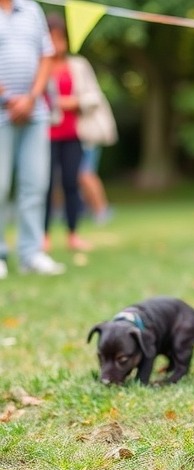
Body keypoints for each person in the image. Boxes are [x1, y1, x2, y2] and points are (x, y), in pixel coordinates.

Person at [0, 0, 66, 278]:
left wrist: (31, 98)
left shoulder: (32, 9)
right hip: (2, 112)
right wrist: (6, 98)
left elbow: (46, 56)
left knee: (35, 185)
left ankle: (32, 253)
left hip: (35, 111)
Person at [43, 12, 101, 251]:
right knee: (44, 186)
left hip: (72, 134)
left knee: (71, 182)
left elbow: (93, 96)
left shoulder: (77, 65)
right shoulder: (39, 66)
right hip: (44, 136)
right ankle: (43, 235)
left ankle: (73, 233)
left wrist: (72, 102)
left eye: (60, 38)